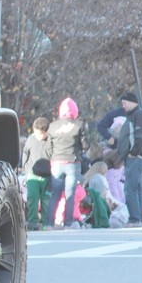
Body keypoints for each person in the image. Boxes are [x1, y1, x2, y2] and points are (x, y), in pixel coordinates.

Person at [46, 97, 86, 229]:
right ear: (75, 111)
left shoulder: (52, 126)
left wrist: (53, 157)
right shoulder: (78, 125)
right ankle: (68, 223)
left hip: (56, 162)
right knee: (70, 194)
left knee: (55, 194)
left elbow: (48, 148)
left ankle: (49, 224)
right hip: (72, 162)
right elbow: (85, 145)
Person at [117, 91, 142, 227]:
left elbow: (140, 136)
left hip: (136, 158)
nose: (123, 106)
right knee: (136, 188)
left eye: (124, 103)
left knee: (129, 189)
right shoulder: (134, 115)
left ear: (132, 102)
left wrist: (133, 152)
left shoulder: (138, 115)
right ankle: (139, 217)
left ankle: (135, 219)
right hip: (136, 158)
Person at [22, 117, 52, 230]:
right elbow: (25, 153)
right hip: (32, 174)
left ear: (46, 131)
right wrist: (26, 168)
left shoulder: (51, 141)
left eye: (40, 134)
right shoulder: (31, 139)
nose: (38, 136)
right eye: (36, 133)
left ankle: (45, 222)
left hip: (47, 175)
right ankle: (32, 221)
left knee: (46, 199)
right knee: (32, 198)